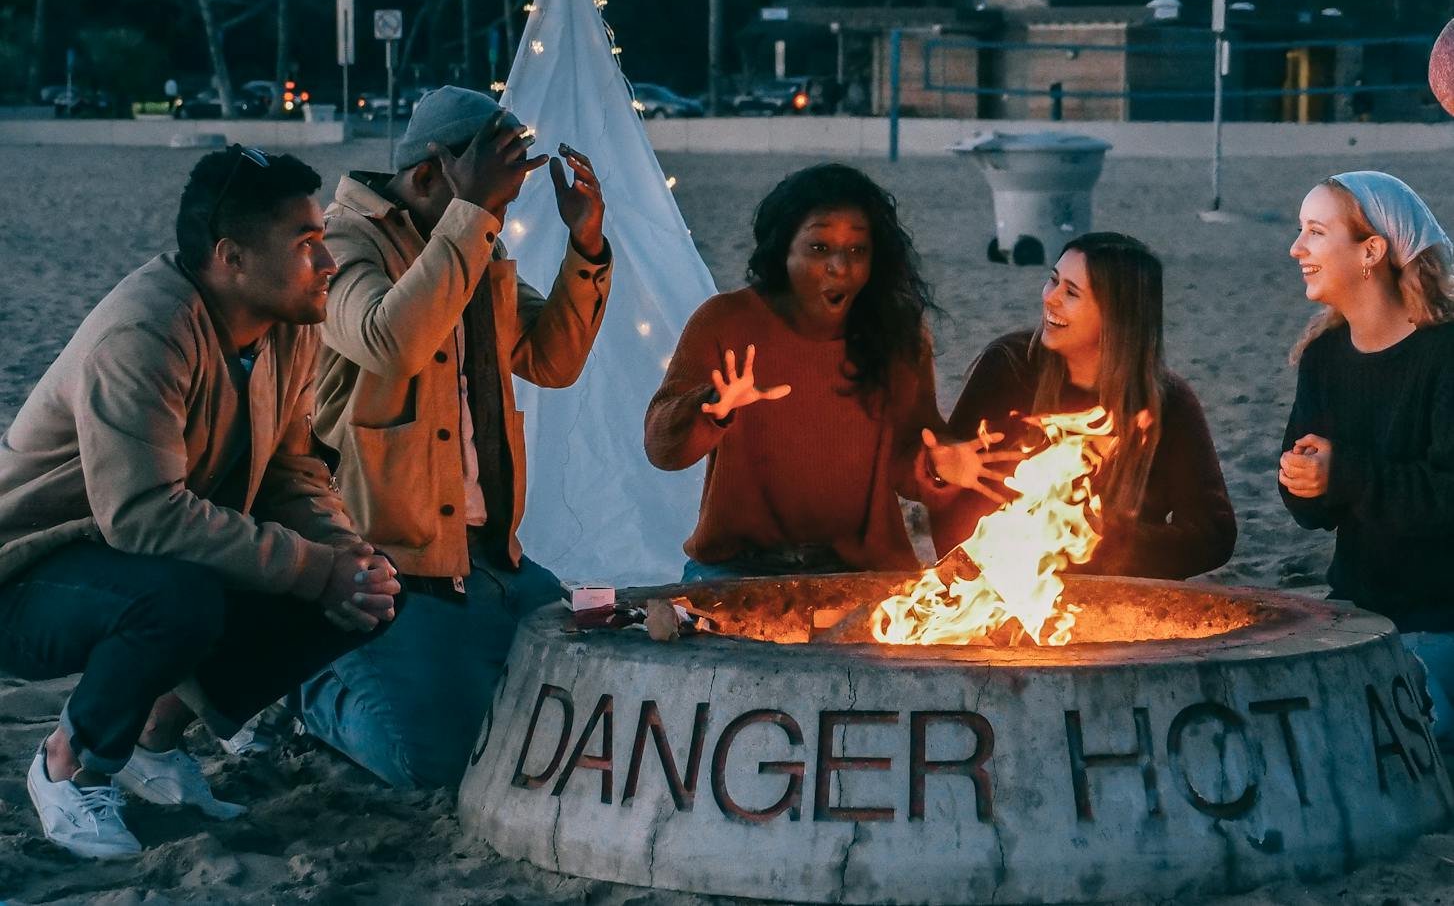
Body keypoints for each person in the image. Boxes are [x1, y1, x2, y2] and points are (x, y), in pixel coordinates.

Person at [0, 147, 399, 860]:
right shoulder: (144, 334)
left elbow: (291, 472)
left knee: (369, 588)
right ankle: (67, 761)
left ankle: (153, 741)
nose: (329, 264)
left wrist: (342, 554)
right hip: (31, 574)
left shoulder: (286, 328)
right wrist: (313, 569)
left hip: (133, 560)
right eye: (307, 245)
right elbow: (143, 515)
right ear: (231, 258)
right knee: (179, 599)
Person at [298, 86, 612, 791]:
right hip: (384, 562)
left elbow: (552, 361)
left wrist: (586, 243)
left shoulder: (474, 247)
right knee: (432, 763)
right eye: (491, 191)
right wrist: (471, 219)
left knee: (594, 700)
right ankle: (303, 689)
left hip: (486, 557)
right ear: (430, 177)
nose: (502, 211)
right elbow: (389, 340)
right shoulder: (341, 243)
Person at [645, 162, 942, 579]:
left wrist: (941, 464)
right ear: (782, 251)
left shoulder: (898, 333)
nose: (840, 266)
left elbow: (911, 458)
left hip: (863, 571)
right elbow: (662, 451)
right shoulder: (725, 321)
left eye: (858, 250)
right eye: (819, 248)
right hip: (739, 568)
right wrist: (711, 408)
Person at [927, 232, 1236, 580]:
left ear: (1117, 316)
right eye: (1053, 280)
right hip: (999, 592)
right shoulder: (1009, 367)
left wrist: (1109, 541)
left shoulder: (1168, 404)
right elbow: (954, 499)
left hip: (1114, 599)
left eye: (1071, 293)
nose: (1050, 299)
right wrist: (941, 472)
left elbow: (1213, 534)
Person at [1281, 171, 1454, 745]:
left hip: (1440, 614)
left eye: (1315, 232)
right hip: (1357, 609)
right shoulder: (1325, 356)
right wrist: (1305, 482)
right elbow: (1310, 511)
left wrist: (1347, 474)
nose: (1296, 248)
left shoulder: (1445, 353)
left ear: (1371, 251)